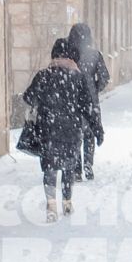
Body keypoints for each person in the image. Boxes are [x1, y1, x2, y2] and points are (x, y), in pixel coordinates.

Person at [23, 38, 101, 218]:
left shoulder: (43, 75)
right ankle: (67, 202)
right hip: (71, 130)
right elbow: (88, 106)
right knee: (68, 167)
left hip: (48, 129)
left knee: (50, 168)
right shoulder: (78, 78)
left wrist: (43, 98)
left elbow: (28, 97)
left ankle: (51, 206)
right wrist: (97, 129)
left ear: (54, 55)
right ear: (73, 56)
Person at [66, 21, 110, 179]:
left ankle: (76, 169)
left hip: (72, 98)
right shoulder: (95, 55)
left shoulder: (68, 54)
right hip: (90, 98)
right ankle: (88, 164)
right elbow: (105, 77)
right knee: (89, 132)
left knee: (75, 132)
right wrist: (94, 88)